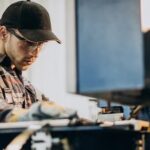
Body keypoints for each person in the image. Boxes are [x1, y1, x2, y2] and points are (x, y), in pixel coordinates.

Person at [0, 0, 76, 122]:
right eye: (29, 43)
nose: (36, 53)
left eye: (41, 44)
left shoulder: (20, 80)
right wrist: (31, 115)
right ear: (3, 33)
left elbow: (47, 108)